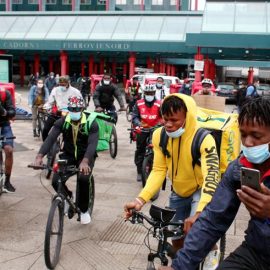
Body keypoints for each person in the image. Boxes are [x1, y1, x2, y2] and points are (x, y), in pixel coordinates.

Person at [159, 96, 270, 270]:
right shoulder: (237, 169)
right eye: (243, 134)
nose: (248, 143)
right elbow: (213, 219)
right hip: (256, 251)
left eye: (256, 136)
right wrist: (178, 267)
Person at [124, 93, 220, 268]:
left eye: (174, 120)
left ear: (188, 118)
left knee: (200, 232)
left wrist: (200, 213)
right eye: (165, 119)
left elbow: (211, 177)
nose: (168, 124)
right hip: (178, 190)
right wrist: (140, 199)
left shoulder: (204, 138)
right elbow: (159, 170)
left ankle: (212, 249)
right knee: (175, 237)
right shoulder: (159, 136)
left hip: (200, 188)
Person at [34, 96, 98, 224]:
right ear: (68, 109)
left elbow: (92, 144)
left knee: (83, 178)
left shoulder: (92, 123)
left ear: (82, 108)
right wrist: (39, 156)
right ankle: (68, 197)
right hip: (68, 155)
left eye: (77, 109)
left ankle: (84, 210)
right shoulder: (62, 121)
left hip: (85, 156)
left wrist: (85, 161)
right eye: (72, 109)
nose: (74, 111)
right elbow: (50, 139)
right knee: (55, 180)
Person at [132, 84, 162, 182]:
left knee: (159, 148)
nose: (149, 95)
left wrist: (160, 124)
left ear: (154, 93)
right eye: (147, 93)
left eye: (151, 93)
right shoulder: (139, 103)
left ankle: (158, 168)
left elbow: (163, 116)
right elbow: (135, 116)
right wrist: (138, 123)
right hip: (142, 129)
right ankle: (139, 171)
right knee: (140, 150)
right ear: (144, 93)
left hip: (155, 129)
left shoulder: (159, 103)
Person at [42, 75, 82, 141]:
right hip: (57, 113)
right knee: (45, 129)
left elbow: (80, 104)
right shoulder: (55, 90)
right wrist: (44, 107)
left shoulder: (75, 91)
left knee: (69, 133)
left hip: (70, 115)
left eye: (64, 84)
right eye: (60, 84)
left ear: (68, 83)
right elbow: (50, 102)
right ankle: (45, 144)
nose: (62, 86)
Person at [0, 87, 16, 193]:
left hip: (4, 124)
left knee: (9, 150)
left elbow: (12, 112)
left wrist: (3, 111)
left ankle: (7, 181)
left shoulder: (5, 93)